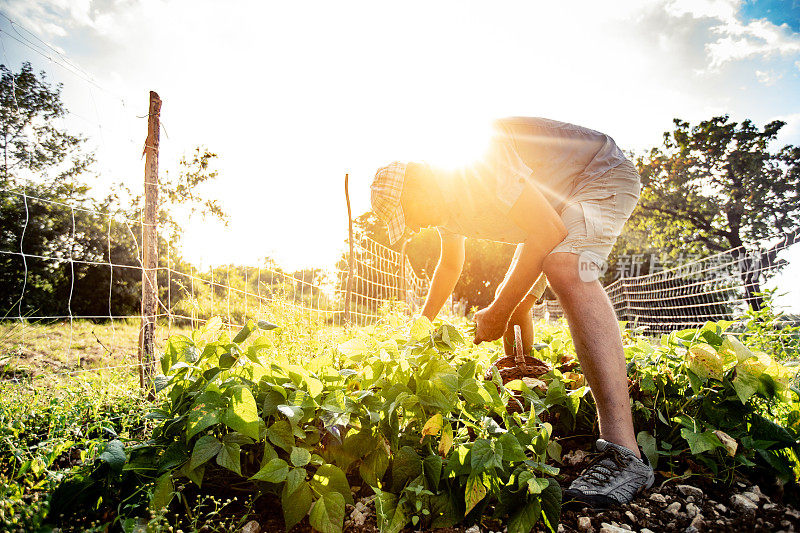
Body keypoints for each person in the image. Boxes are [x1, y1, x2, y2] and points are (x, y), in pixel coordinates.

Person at [369, 117, 654, 508]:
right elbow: (450, 266)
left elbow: (548, 235)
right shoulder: (445, 207)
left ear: (419, 184)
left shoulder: (481, 164)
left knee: (564, 265)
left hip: (599, 173)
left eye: (410, 214)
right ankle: (528, 379)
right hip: (556, 206)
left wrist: (498, 309)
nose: (416, 225)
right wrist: (423, 324)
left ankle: (625, 452)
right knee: (523, 297)